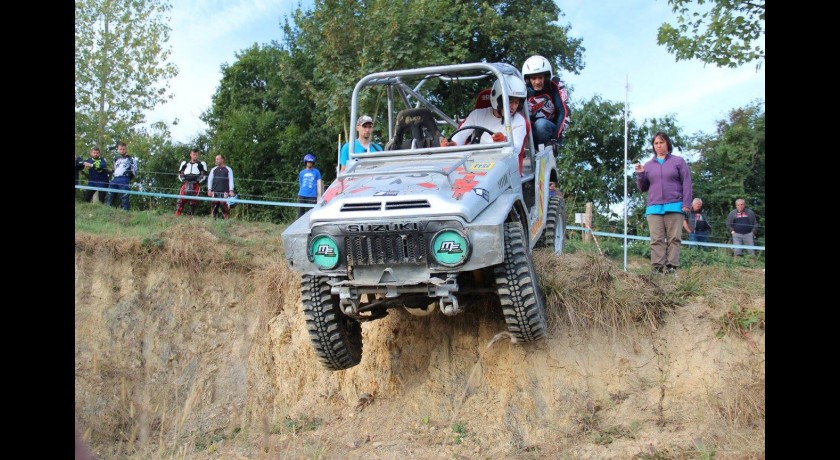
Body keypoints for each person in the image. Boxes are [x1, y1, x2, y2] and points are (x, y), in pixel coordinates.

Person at [441, 75, 528, 172]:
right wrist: (452, 143)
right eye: (510, 101)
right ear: (498, 99)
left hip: (501, 166)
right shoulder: (478, 114)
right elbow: (460, 136)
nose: (513, 107)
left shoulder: (519, 121)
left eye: (516, 103)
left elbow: (516, 148)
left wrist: (505, 141)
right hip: (471, 163)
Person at [634, 131, 692, 274]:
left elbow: (687, 182)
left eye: (661, 142)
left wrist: (687, 203)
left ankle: (672, 268)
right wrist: (641, 174)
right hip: (654, 207)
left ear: (667, 143)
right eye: (656, 143)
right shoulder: (648, 165)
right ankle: (657, 268)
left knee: (674, 238)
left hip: (675, 205)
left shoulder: (678, 161)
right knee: (656, 239)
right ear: (653, 146)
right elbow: (642, 188)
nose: (659, 146)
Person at [521, 55, 570, 150]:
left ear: (546, 77)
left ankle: (547, 149)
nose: (537, 82)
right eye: (533, 78)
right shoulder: (522, 89)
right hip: (531, 132)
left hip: (551, 132)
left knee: (541, 124)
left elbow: (564, 111)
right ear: (527, 80)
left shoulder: (556, 85)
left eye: (540, 77)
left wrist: (556, 138)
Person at [175, 148, 208, 216]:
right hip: (186, 182)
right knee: (181, 199)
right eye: (193, 154)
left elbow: (203, 174)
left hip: (195, 183)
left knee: (194, 201)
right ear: (191, 155)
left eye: (196, 155)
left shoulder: (201, 164)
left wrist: (198, 180)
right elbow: (181, 173)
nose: (195, 156)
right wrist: (183, 179)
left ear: (198, 155)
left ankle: (189, 215)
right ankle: (177, 214)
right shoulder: (185, 163)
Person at [105, 142, 138, 211]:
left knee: (124, 194)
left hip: (124, 178)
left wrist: (129, 178)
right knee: (110, 192)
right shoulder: (116, 158)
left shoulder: (131, 159)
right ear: (118, 149)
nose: (122, 150)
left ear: (126, 149)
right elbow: (114, 168)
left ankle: (125, 209)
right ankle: (108, 207)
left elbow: (134, 169)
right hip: (115, 178)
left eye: (123, 149)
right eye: (120, 149)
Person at [207, 154, 235, 219]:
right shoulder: (213, 169)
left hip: (225, 192)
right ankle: (213, 222)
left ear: (222, 160)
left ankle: (226, 222)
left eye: (218, 159)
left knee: (225, 208)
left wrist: (231, 190)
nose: (216, 160)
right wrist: (209, 189)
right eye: (216, 159)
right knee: (214, 208)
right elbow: (210, 180)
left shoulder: (228, 169)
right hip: (214, 191)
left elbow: (231, 180)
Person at [297, 153, 322, 218]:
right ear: (305, 162)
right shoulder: (302, 172)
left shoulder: (316, 172)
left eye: (311, 162)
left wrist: (319, 196)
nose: (309, 163)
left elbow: (319, 184)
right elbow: (301, 184)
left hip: (312, 196)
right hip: (302, 195)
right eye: (308, 162)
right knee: (300, 214)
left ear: (313, 163)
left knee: (311, 214)